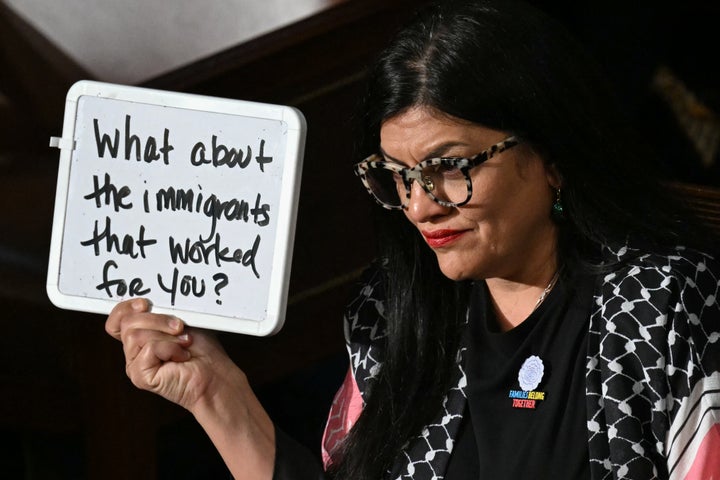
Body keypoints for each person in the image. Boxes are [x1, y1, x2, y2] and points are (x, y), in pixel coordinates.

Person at [105, 0, 720, 479]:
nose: (421, 205)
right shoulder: (397, 312)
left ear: (552, 154)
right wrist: (216, 392)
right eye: (397, 176)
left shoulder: (662, 308)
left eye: (450, 165)